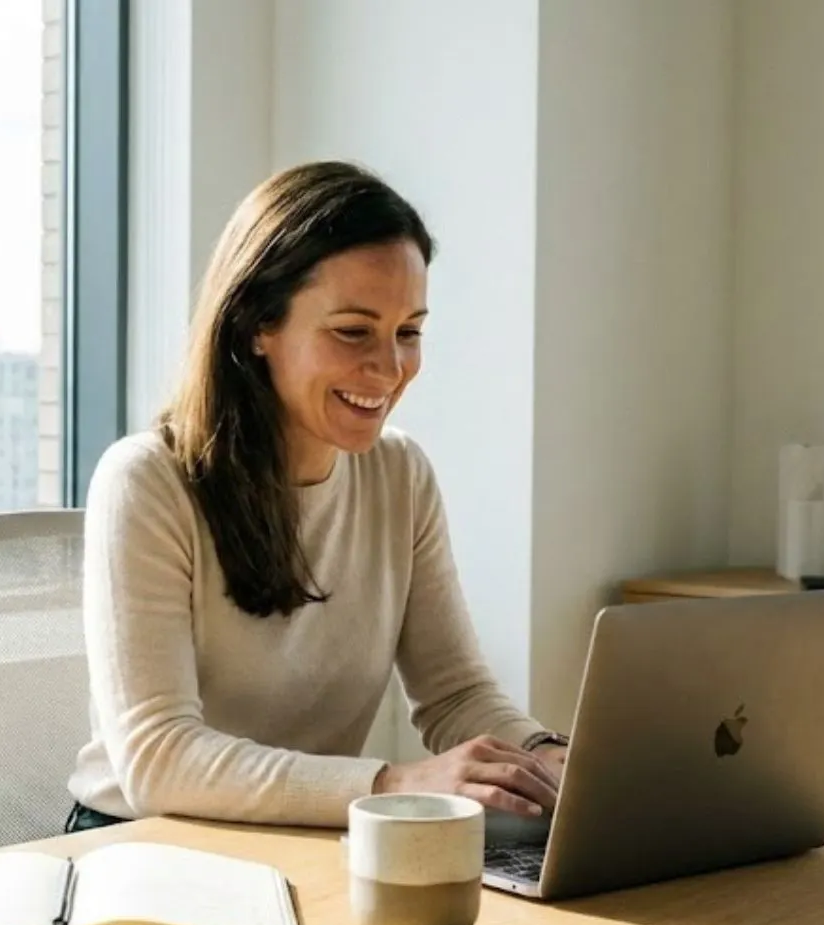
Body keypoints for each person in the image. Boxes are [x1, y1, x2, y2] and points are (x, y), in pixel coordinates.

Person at [65, 160, 568, 833]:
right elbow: (159, 759)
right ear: (256, 325)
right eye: (353, 331)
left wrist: (546, 758)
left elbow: (455, 693)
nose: (389, 369)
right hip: (141, 851)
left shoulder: (401, 475)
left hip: (309, 841)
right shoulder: (147, 481)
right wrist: (393, 784)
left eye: (409, 332)